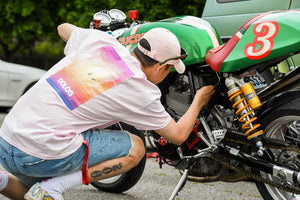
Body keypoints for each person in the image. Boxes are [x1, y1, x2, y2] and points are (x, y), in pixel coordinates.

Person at [0, 23, 215, 200]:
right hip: (37, 154)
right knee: (137, 148)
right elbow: (177, 135)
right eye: (169, 69)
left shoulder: (102, 42)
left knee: (32, 194)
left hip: (7, 141)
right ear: (160, 66)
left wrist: (102, 36)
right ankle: (56, 186)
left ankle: (5, 181)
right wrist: (199, 99)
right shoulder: (141, 91)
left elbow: (62, 28)